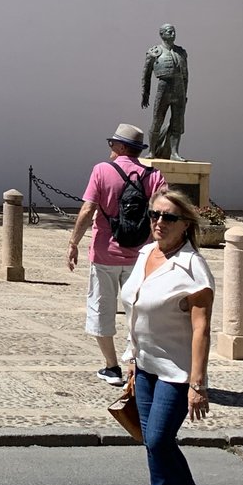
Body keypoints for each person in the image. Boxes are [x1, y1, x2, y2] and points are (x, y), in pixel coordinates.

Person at [121, 188, 215, 485]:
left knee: (159, 440)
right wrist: (132, 356)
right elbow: (136, 309)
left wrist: (197, 385)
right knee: (152, 444)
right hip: (145, 366)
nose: (159, 222)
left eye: (169, 217)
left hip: (176, 372)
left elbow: (201, 329)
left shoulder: (193, 268)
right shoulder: (147, 253)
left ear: (185, 224)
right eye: (154, 214)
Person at [66, 123, 165, 385]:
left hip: (104, 254)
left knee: (101, 309)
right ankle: (137, 365)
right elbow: (164, 213)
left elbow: (88, 210)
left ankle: (111, 367)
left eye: (112, 144)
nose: (110, 148)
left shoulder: (102, 170)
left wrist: (73, 242)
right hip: (141, 256)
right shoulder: (154, 175)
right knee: (139, 312)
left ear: (121, 147)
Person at [141, 24, 189, 160]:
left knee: (177, 122)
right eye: (169, 32)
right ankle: (152, 151)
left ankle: (174, 153)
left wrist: (185, 93)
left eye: (174, 32)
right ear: (162, 34)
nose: (173, 34)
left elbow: (186, 75)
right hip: (164, 87)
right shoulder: (154, 52)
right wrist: (145, 93)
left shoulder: (181, 52)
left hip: (179, 89)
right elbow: (146, 75)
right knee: (157, 120)